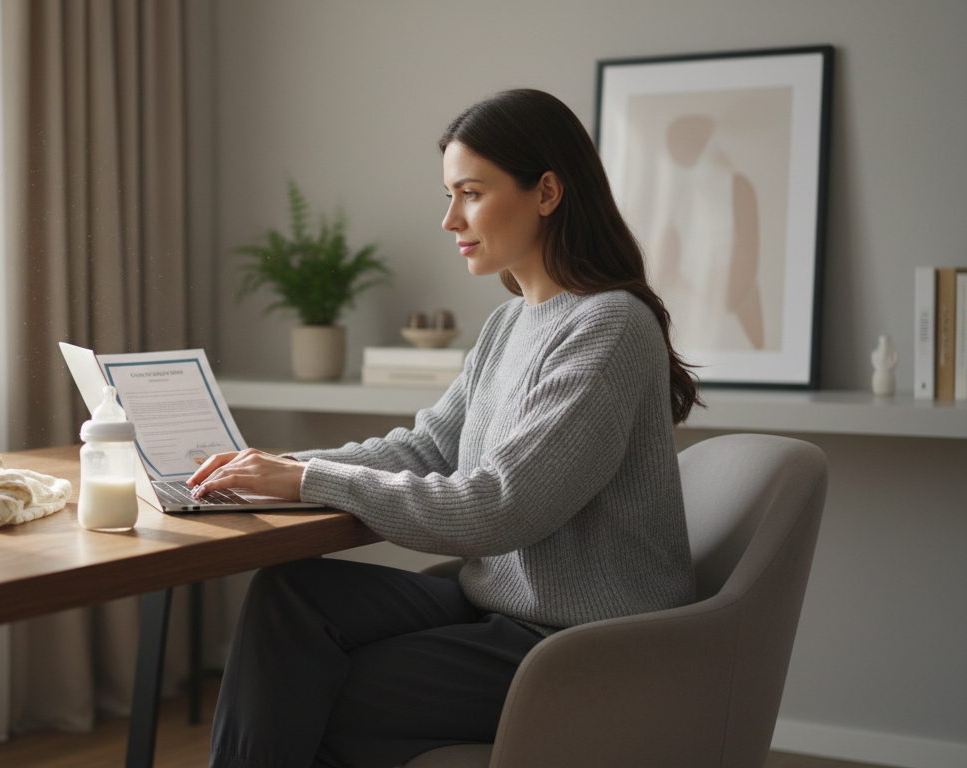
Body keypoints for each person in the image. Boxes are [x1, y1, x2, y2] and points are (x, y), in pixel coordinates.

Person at [188, 88, 703, 768]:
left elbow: (499, 507)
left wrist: (311, 479)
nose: (449, 218)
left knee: (319, 690)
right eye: (450, 194)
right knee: (290, 598)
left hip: (577, 640)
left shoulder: (608, 327)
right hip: (496, 606)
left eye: (470, 193)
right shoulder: (508, 324)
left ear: (546, 191)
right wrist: (272, 467)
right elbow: (429, 447)